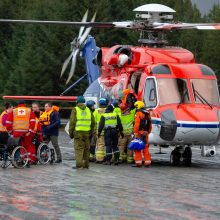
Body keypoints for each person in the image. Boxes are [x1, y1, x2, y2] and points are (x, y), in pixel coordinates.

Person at [6, 101, 37, 165]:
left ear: (18, 105)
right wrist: (30, 131)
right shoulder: (29, 110)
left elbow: (8, 123)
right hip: (26, 132)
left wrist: (10, 131)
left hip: (16, 132)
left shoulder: (14, 111)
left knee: (18, 145)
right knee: (28, 146)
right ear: (24, 104)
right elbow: (33, 121)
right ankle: (28, 160)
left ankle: (19, 159)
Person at [69, 96, 95, 169]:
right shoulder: (88, 110)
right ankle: (86, 165)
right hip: (87, 133)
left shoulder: (75, 109)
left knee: (79, 149)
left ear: (77, 102)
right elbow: (93, 122)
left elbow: (72, 122)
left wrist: (71, 133)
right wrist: (90, 132)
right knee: (86, 149)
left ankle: (79, 165)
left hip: (78, 133)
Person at [133, 101, 152, 167]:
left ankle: (138, 162)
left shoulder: (138, 113)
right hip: (146, 133)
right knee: (145, 147)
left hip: (139, 133)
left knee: (138, 147)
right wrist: (148, 132)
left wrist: (135, 132)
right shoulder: (148, 113)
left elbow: (137, 124)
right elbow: (150, 124)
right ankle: (147, 162)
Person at [93, 98, 108, 163]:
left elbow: (93, 122)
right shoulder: (108, 111)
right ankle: (107, 157)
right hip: (107, 131)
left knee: (100, 144)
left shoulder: (96, 111)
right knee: (108, 144)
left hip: (99, 131)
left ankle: (99, 158)